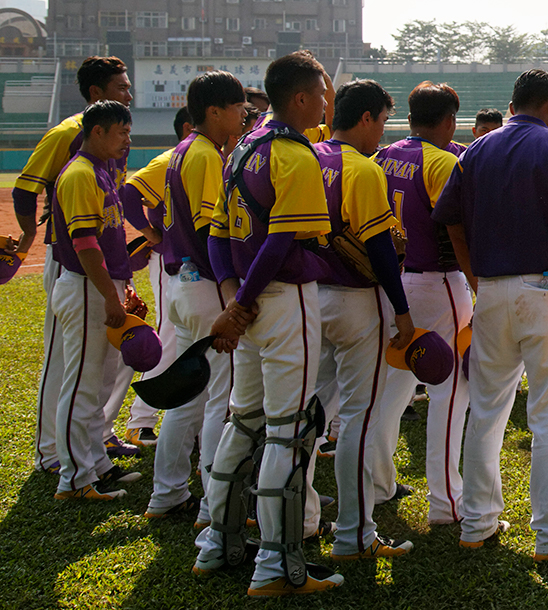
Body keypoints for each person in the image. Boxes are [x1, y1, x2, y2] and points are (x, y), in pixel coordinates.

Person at [432, 68, 548, 561]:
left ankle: (477, 523)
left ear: (512, 103)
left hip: (490, 289)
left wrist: (474, 273)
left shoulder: (475, 151)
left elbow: (450, 221)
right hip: (544, 286)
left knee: (486, 409)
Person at [196, 50, 343, 596]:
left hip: (251, 304)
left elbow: (215, 234)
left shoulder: (241, 149)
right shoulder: (292, 154)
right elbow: (283, 241)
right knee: (289, 430)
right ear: (300, 98)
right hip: (282, 302)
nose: (327, 102)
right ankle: (276, 565)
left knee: (243, 420)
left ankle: (217, 541)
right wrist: (242, 301)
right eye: (322, 93)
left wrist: (234, 299)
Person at [12, 56, 134, 474]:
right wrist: (28, 237)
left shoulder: (114, 138)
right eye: (121, 87)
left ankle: (93, 442)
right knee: (63, 358)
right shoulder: (69, 134)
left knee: (100, 363)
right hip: (71, 257)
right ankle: (52, 451)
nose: (129, 94)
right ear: (96, 94)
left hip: (101, 258)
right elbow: (24, 188)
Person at [311, 78, 415, 560]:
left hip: (310, 298)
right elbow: (378, 248)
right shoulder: (362, 168)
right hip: (356, 301)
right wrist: (403, 311)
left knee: (309, 411)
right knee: (358, 416)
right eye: (383, 120)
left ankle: (303, 514)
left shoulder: (307, 157)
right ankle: (354, 533)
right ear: (367, 117)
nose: (382, 133)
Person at [144, 72, 247, 525]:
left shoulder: (185, 150)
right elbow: (211, 233)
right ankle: (214, 506)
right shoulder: (204, 154)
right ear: (214, 111)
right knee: (219, 400)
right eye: (238, 108)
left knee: (188, 397)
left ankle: (166, 494)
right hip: (205, 286)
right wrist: (230, 292)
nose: (244, 115)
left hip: (182, 284)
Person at [371, 81, 474, 524]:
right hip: (437, 280)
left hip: (392, 282)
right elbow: (457, 229)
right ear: (450, 119)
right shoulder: (442, 160)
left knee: (389, 391)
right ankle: (446, 503)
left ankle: (378, 483)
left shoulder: (381, 156)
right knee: (451, 394)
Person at [48, 100, 140, 501]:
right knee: (83, 383)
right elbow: (86, 247)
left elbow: (110, 238)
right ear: (97, 131)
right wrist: (109, 295)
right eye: (120, 132)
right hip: (86, 286)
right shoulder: (81, 173)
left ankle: (96, 464)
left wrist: (124, 287)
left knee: (100, 380)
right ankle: (74, 479)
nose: (127, 140)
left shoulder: (101, 171)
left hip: (102, 286)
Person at [114, 106, 194, 450]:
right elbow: (129, 195)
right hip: (167, 263)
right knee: (169, 335)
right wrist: (151, 234)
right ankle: (140, 420)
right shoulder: (173, 158)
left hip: (185, 264)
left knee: (181, 337)